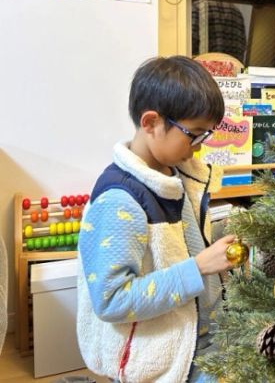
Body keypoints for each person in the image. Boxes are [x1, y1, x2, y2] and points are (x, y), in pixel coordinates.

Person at [76, 56, 236, 383]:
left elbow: (181, 244)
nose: (198, 148)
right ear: (150, 122)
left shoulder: (178, 176)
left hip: (202, 337)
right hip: (162, 360)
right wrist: (198, 268)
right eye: (193, 134)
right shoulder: (119, 201)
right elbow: (112, 301)